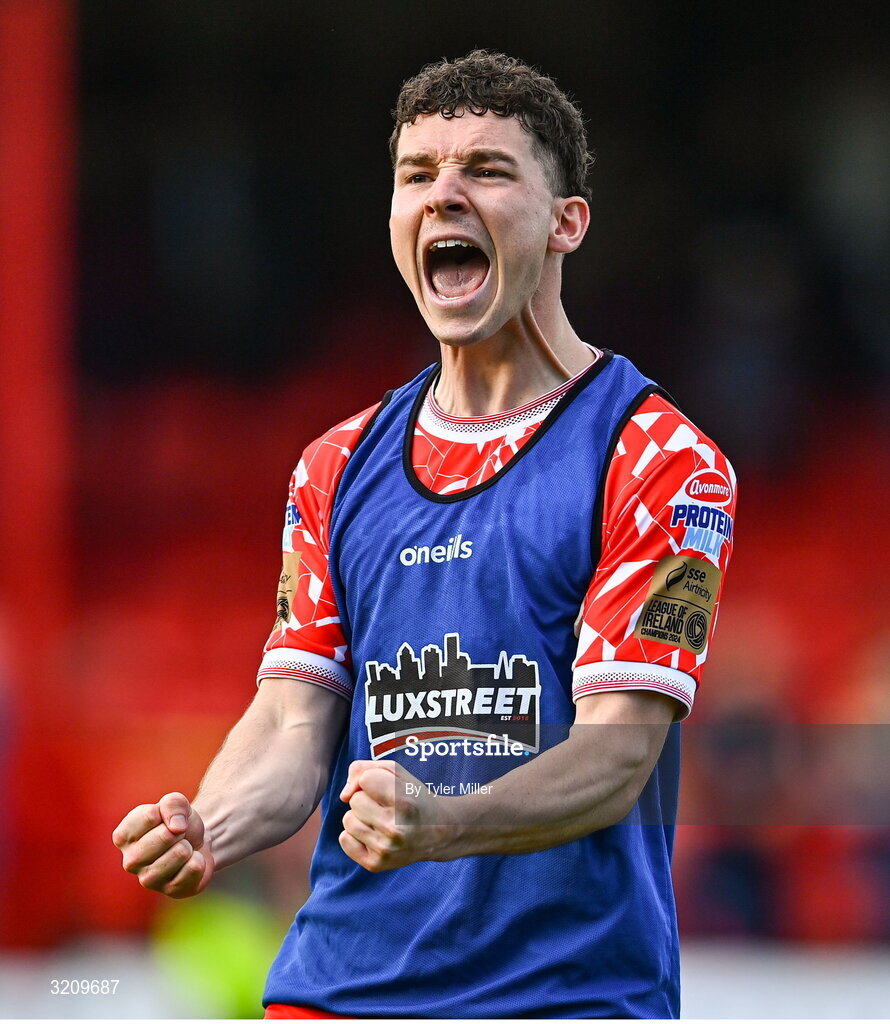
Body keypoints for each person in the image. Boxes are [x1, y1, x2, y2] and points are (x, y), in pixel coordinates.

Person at [113, 50, 736, 1019]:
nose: (443, 193)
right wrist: (211, 823)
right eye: (416, 175)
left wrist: (445, 825)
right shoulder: (334, 463)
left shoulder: (654, 454)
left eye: (485, 169)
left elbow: (617, 757)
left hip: (561, 994)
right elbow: (289, 722)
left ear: (566, 221)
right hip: (339, 985)